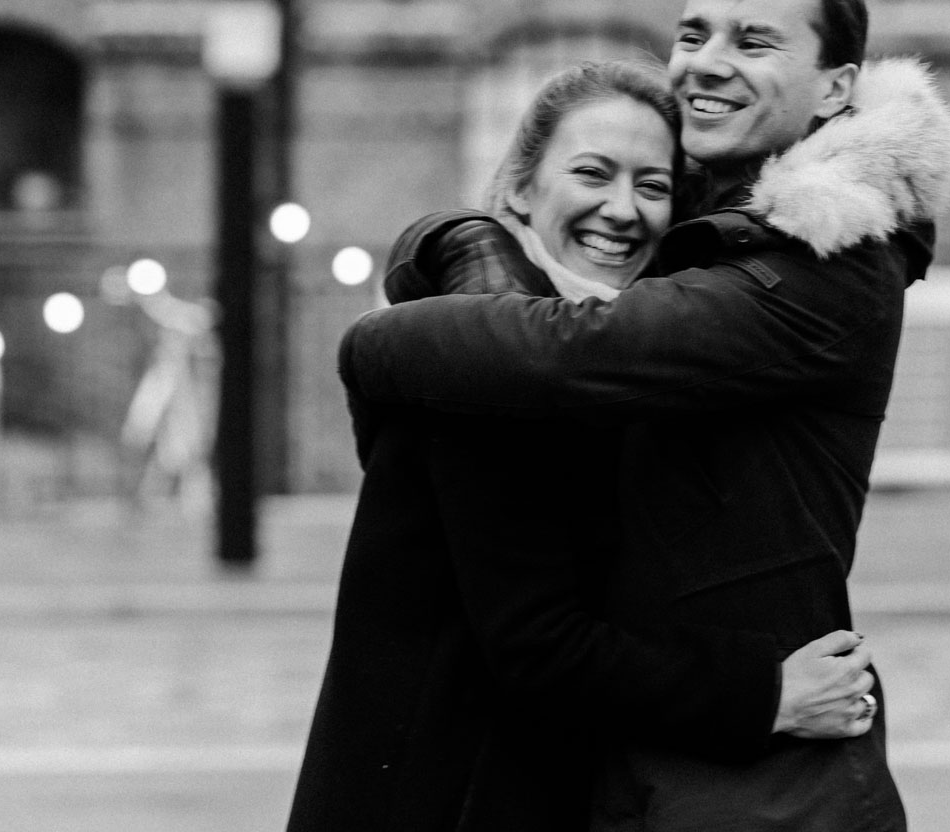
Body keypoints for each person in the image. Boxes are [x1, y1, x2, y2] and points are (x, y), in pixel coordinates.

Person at [340, 0, 950, 830]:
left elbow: (577, 350)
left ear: (836, 88)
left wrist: (371, 342)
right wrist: (454, 241)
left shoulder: (819, 266)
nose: (708, 61)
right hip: (669, 770)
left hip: (764, 795)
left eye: (754, 40)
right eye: (693, 33)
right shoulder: (711, 228)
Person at [288, 59, 879, 832]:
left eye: (654, 185)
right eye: (592, 173)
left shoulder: (590, 358)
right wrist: (764, 693)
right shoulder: (491, 371)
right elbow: (540, 647)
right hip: (444, 797)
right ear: (521, 189)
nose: (623, 210)